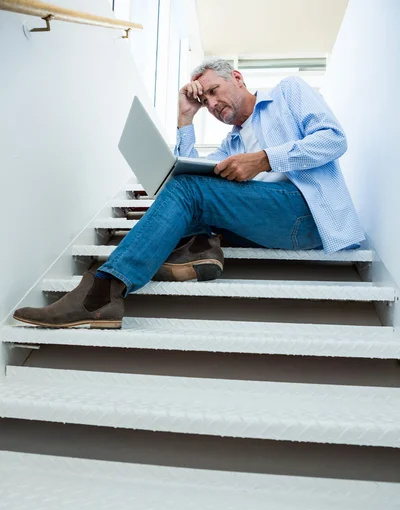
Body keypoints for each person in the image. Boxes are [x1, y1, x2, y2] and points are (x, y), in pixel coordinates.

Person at [13, 58, 365, 329]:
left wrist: (263, 160)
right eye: (205, 100)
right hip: (268, 221)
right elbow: (189, 176)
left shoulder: (288, 92)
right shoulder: (233, 142)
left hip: (308, 213)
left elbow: (334, 139)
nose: (211, 104)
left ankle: (100, 293)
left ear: (238, 78)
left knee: (191, 194)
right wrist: (185, 119)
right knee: (186, 190)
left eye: (213, 91)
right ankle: (198, 248)